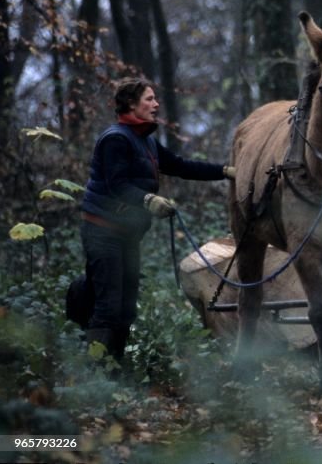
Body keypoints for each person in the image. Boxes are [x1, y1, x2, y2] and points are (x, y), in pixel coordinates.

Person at [77, 77, 236, 367]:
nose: (156, 104)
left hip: (126, 235)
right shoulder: (115, 138)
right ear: (130, 104)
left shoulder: (145, 139)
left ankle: (116, 371)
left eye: (155, 99)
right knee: (109, 307)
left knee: (126, 308)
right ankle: (95, 378)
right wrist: (149, 200)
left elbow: (180, 165)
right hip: (102, 232)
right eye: (149, 99)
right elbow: (116, 185)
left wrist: (225, 171)